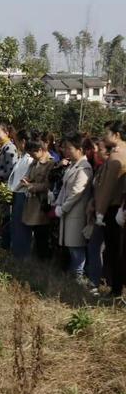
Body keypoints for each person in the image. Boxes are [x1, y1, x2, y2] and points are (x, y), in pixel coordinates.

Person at [54, 133, 93, 281]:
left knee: (76, 246)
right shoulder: (73, 165)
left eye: (70, 148)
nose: (66, 151)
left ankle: (78, 276)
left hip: (76, 213)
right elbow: (65, 188)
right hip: (68, 211)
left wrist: (63, 208)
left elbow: (77, 192)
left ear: (80, 149)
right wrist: (58, 202)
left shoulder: (85, 167)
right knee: (70, 245)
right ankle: (73, 275)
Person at [95, 121, 126, 297]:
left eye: (107, 133)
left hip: (113, 207)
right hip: (118, 206)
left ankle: (116, 289)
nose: (105, 136)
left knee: (115, 250)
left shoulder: (117, 157)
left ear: (116, 135)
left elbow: (107, 188)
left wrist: (100, 210)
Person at [21, 139, 54, 260]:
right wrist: (27, 181)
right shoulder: (34, 163)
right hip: (32, 202)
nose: (32, 156)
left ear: (40, 150)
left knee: (42, 233)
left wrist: (31, 186)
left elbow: (48, 185)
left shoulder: (51, 164)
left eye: (33, 154)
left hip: (41, 203)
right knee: (34, 231)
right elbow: (30, 176)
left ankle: (43, 260)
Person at [85, 139, 110, 294]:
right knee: (94, 247)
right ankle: (95, 280)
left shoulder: (113, 168)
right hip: (98, 212)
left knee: (98, 248)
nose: (96, 152)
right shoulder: (101, 168)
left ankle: (99, 283)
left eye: (99, 149)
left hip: (107, 215)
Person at [8, 130, 34, 259]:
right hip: (17, 193)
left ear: (23, 142)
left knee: (21, 226)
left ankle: (21, 254)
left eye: (17, 141)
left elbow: (25, 178)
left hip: (22, 194)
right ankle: (17, 252)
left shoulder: (30, 159)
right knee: (16, 224)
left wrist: (15, 188)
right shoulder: (23, 156)